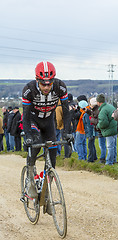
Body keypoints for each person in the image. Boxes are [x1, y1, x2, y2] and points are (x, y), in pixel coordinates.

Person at [22, 61, 71, 199]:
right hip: (33, 120)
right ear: (37, 80)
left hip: (49, 121)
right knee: (36, 144)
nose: (47, 87)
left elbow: (67, 111)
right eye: (43, 83)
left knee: (53, 152)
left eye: (49, 83)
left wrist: (67, 132)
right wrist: (28, 136)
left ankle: (46, 190)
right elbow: (25, 116)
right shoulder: (29, 89)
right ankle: (30, 178)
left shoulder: (60, 87)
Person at [96, 93, 117, 165]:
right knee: (114, 146)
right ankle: (114, 160)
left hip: (109, 130)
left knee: (110, 147)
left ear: (98, 102)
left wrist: (98, 125)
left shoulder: (103, 110)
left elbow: (103, 123)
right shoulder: (110, 106)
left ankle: (109, 162)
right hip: (115, 128)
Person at [86, 97, 106, 163]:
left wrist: (91, 119)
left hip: (100, 130)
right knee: (102, 145)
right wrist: (88, 111)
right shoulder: (97, 110)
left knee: (102, 145)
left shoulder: (97, 111)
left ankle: (102, 159)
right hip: (100, 129)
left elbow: (96, 119)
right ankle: (100, 158)